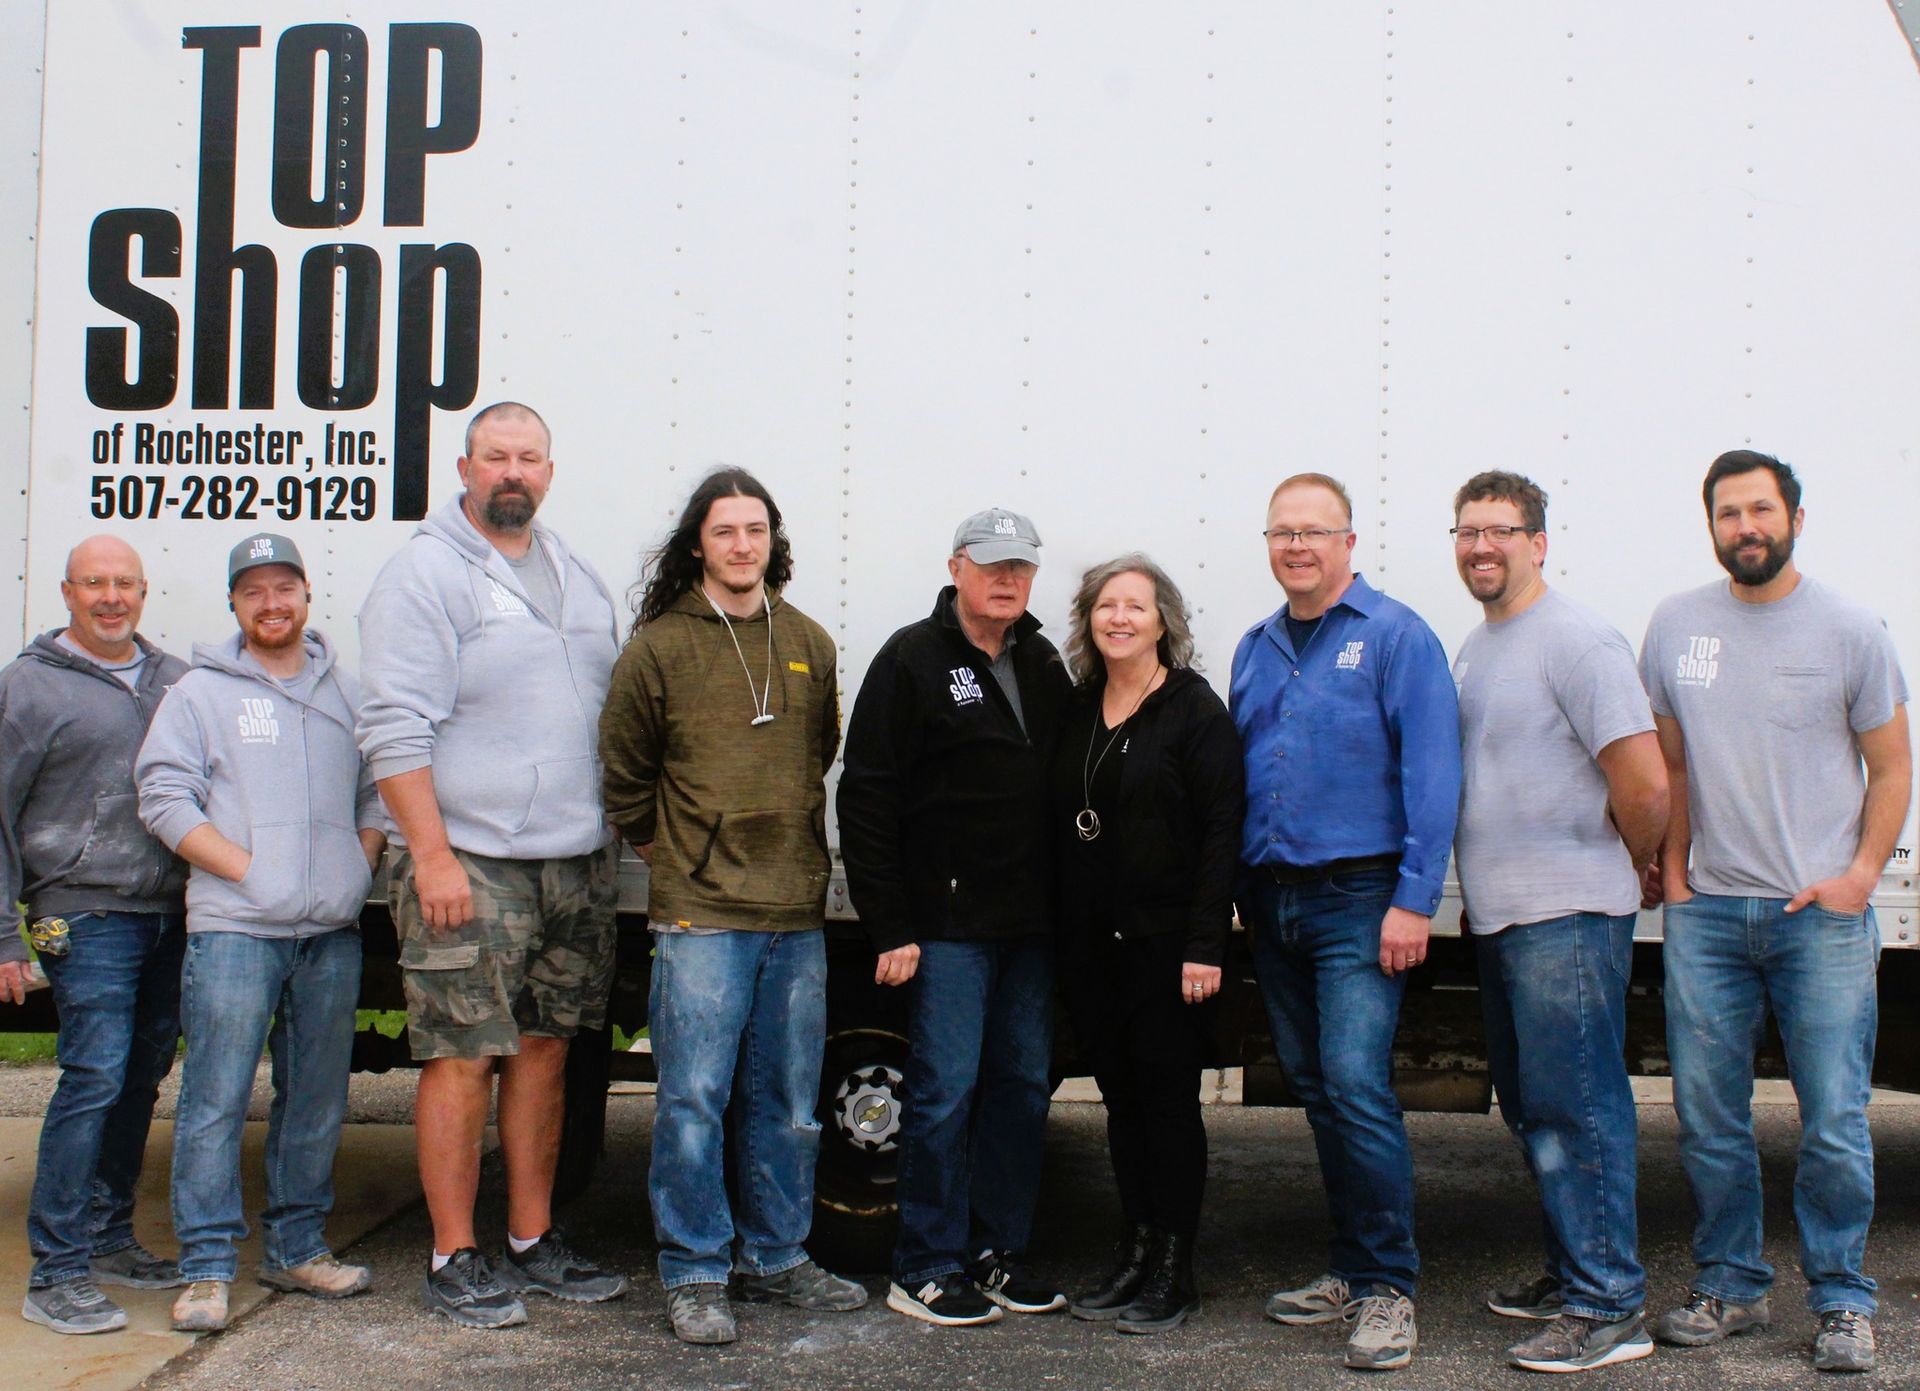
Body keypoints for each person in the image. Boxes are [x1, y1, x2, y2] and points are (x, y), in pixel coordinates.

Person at [356, 402, 628, 1328]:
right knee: (462, 1056)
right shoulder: (423, 576)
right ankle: (452, 1250)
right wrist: (428, 855)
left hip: (573, 864)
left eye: (530, 458)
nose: (513, 472)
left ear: (550, 471)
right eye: (496, 457)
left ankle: (529, 1236)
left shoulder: (577, 574)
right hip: (470, 861)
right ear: (464, 467)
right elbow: (393, 727)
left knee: (546, 1054)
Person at [1640, 451, 1910, 1375]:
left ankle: (1841, 1299)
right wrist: (1675, 874)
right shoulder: (1676, 625)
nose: (1745, 526)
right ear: (1710, 524)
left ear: (1795, 515)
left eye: (1761, 509)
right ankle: (1732, 1281)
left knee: (1832, 1119)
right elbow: (1669, 767)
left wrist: (1861, 874)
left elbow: (1893, 764)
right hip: (1709, 915)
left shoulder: (1849, 629)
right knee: (1708, 1117)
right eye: (1728, 512)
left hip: (1819, 920)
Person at [599, 468, 866, 1345]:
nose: (742, 545)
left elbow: (817, 754)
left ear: (773, 541)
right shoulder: (658, 649)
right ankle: (694, 1267)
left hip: (793, 911)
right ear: (697, 545)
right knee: (693, 1098)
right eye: (725, 531)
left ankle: (777, 1254)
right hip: (701, 916)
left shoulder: (811, 642)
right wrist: (682, 854)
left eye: (756, 529)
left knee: (787, 1098)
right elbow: (627, 781)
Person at [1229, 472, 1459, 1372]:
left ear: (1349, 543)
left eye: (1315, 532)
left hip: (1360, 899)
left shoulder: (1396, 637)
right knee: (1317, 1084)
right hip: (1272, 896)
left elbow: (1433, 774)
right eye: (1283, 531)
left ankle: (1389, 1290)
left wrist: (1414, 896)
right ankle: (1350, 1265)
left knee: (1358, 1084)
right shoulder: (1255, 645)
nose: (1298, 546)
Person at [136, 534, 387, 1332]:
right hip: (237, 929)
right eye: (255, 591)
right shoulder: (200, 692)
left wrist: (357, 863)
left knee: (314, 1098)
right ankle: (207, 1266)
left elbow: (380, 792)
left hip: (330, 933)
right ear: (236, 604)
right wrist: (246, 870)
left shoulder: (346, 693)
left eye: (285, 587)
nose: (272, 603)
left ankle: (296, 1247)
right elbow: (164, 797)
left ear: (308, 595)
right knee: (215, 1097)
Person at [1448, 473, 1668, 1373]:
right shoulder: (1482, 642)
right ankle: (1574, 1268)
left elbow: (1646, 780)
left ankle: (1610, 1304)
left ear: (1540, 542)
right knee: (1539, 1109)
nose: (1481, 546)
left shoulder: (1576, 640)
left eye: (1501, 530)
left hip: (1568, 916)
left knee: (1578, 1112)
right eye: (1467, 531)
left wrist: (1636, 857)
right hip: (1507, 919)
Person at [838, 508, 1073, 1327]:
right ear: (957, 568)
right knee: (942, 1095)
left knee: (1020, 1092)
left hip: (1030, 929)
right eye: (992, 563)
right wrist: (889, 921)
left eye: (1022, 566)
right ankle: (926, 1265)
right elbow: (866, 794)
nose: (1008, 579)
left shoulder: (1042, 662)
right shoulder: (912, 658)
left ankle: (993, 1252)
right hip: (945, 926)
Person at [1049, 555, 1242, 1334]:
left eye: (1135, 605)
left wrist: (1205, 945)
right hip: (1096, 949)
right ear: (1089, 620)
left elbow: (1221, 835)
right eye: (1106, 606)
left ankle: (1173, 1267)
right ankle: (1133, 1250)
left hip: (1168, 950)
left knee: (1168, 1108)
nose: (1119, 618)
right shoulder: (1079, 705)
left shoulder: (1195, 712)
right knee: (1122, 1105)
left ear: (1164, 619)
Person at [0, 536, 188, 1334]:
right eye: (94, 584)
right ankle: (57, 1270)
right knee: (93, 1078)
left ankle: (110, 1235)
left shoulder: (174, 679)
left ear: (144, 592)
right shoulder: (28, 687)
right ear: (68, 592)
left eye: (125, 584)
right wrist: (4, 939)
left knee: (141, 1078)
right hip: (80, 913)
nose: (111, 597)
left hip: (168, 913)